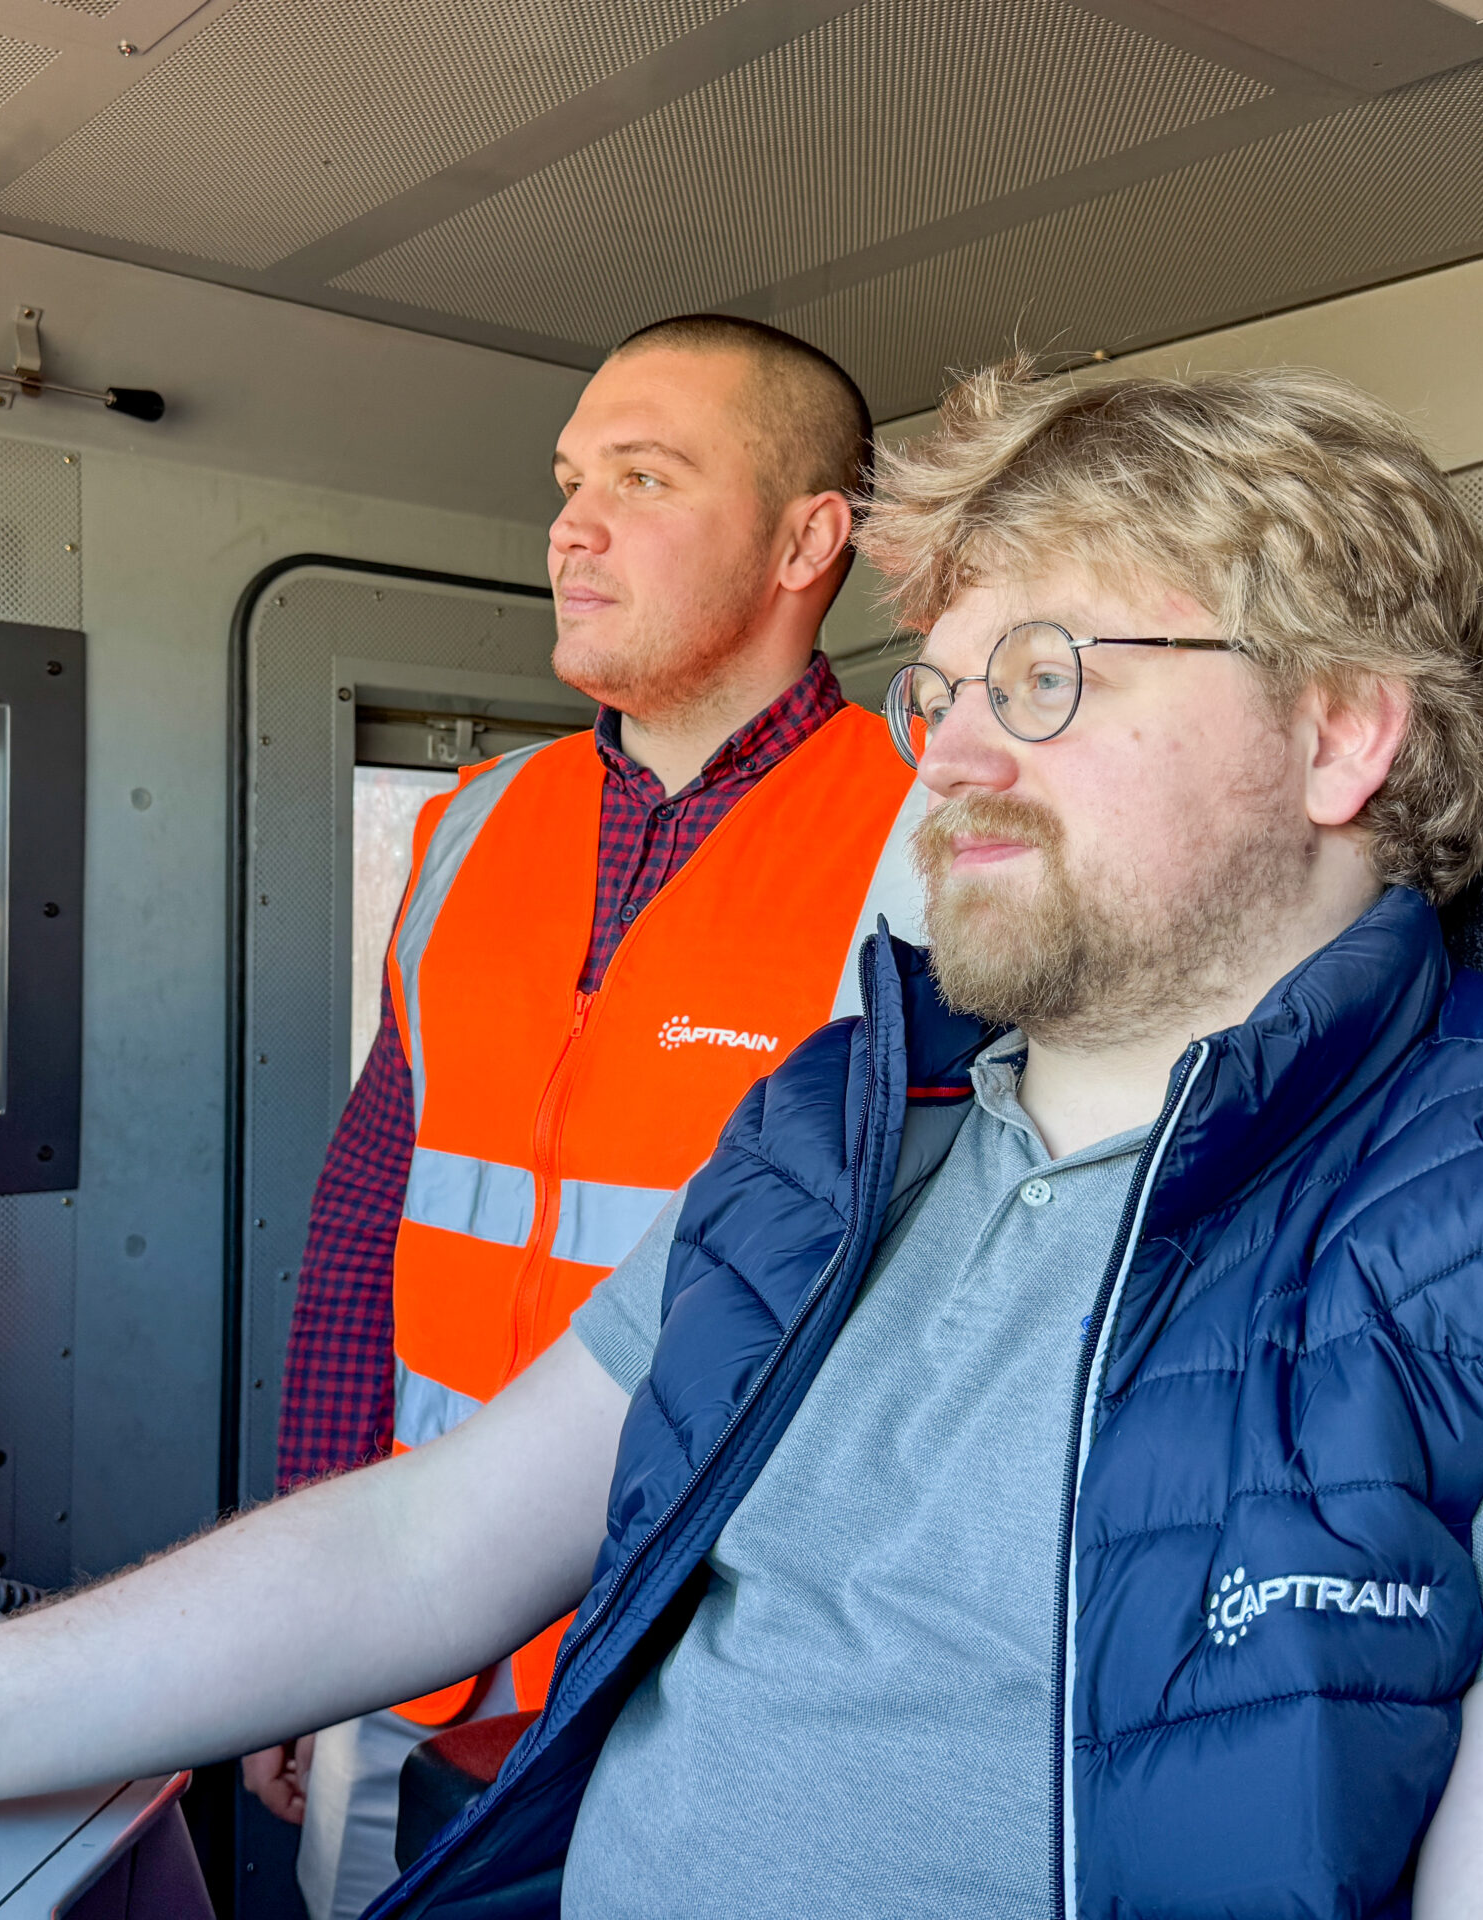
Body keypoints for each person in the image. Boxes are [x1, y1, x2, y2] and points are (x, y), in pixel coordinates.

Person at [0, 361, 1483, 1918]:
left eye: (1048, 679)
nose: (950, 756)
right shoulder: (843, 1143)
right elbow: (428, 1545)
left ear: (1342, 735)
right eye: (942, 686)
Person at [253, 314, 923, 1917]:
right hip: (406, 1621)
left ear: (806, 543)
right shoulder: (473, 823)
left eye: (643, 477)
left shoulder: (927, 837)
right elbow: (367, 1224)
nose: (570, 525)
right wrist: (300, 1594)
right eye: (568, 482)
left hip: (698, 1650)